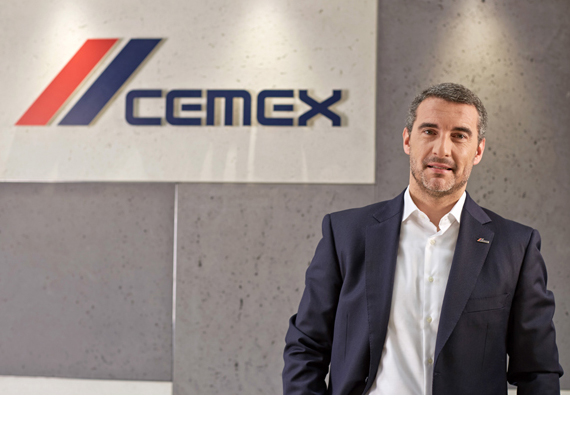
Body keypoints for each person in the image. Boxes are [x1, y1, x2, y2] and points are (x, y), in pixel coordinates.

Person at [282, 83, 563, 395]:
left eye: (459, 135)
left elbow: (538, 371)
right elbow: (306, 346)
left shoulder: (516, 247)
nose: (442, 150)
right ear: (407, 140)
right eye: (429, 131)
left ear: (478, 150)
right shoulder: (346, 234)